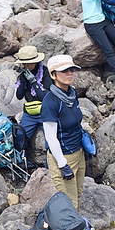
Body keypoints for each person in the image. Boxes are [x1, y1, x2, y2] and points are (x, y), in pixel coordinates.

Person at [40, 54, 85, 211]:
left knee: (78, 194)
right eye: (64, 70)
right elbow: (51, 137)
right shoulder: (50, 101)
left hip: (78, 153)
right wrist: (62, 165)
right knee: (70, 203)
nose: (69, 73)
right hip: (64, 157)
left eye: (71, 69)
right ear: (53, 74)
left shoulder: (71, 93)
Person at [13, 45, 52, 169]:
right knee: (20, 136)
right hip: (30, 112)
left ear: (35, 62)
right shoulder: (24, 74)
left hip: (45, 111)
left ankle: (48, 170)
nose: (26, 66)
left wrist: (34, 82)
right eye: (24, 64)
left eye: (28, 64)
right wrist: (23, 82)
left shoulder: (46, 73)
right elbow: (19, 96)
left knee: (50, 141)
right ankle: (21, 163)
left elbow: (44, 97)